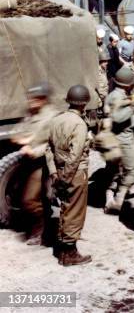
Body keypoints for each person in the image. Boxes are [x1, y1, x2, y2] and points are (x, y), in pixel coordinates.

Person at [45, 85, 92, 266]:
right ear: (84, 104)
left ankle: (63, 252)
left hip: (59, 171)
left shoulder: (56, 120)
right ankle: (70, 253)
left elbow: (48, 149)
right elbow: (75, 156)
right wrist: (66, 178)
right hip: (75, 174)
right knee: (75, 211)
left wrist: (54, 173)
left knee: (66, 209)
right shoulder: (79, 124)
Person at [12, 83, 59, 245]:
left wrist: (34, 149)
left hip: (42, 162)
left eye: (35, 99)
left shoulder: (52, 116)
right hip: (29, 161)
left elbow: (53, 143)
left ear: (43, 99)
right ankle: (44, 223)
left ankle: (39, 231)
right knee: (35, 197)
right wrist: (22, 138)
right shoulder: (32, 113)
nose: (31, 102)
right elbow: (21, 129)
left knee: (29, 200)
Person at [103, 67, 134, 213]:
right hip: (123, 140)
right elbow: (117, 117)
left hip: (113, 139)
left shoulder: (114, 94)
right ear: (128, 84)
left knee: (114, 171)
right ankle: (118, 200)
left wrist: (131, 99)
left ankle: (109, 197)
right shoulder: (118, 97)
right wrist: (133, 105)